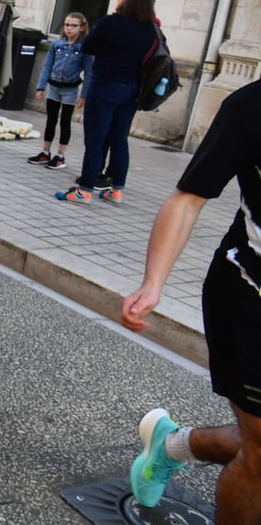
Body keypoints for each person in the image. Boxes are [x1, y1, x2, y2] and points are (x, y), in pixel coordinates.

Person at [120, 80, 261, 520]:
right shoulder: (251, 107)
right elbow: (187, 199)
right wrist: (153, 283)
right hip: (249, 295)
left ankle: (170, 444)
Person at [55, 0, 156, 205]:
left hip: (104, 86)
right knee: (119, 138)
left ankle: (84, 190)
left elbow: (88, 46)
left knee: (96, 139)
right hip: (131, 89)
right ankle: (116, 190)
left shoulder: (110, 23)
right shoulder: (150, 28)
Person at [27, 12, 92, 170]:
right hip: (54, 88)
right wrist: (41, 87)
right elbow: (47, 66)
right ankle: (45, 151)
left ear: (82, 28)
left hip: (70, 90)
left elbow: (89, 73)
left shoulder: (84, 48)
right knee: (51, 120)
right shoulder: (57, 45)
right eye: (67, 25)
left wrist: (84, 95)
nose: (69, 28)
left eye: (74, 25)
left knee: (65, 122)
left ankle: (60, 155)